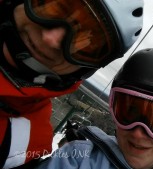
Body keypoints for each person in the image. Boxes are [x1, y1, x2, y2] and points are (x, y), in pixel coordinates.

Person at [0, 0, 144, 168]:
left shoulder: (21, 147)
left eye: (82, 43)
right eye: (53, 8)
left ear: (83, 70)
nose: (50, 39)